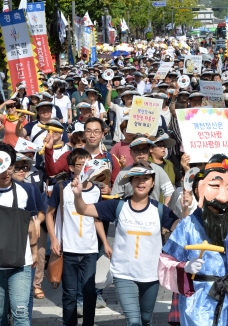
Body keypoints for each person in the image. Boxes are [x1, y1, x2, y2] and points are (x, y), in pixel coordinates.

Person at [72, 162, 180, 326]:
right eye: (137, 178)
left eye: (146, 178)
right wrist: (78, 195)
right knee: (134, 321)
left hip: (150, 272)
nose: (141, 182)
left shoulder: (159, 210)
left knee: (146, 319)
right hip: (123, 273)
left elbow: (181, 228)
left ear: (152, 183)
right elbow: (84, 210)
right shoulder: (118, 205)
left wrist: (186, 209)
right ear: (130, 181)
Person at [158, 154, 228, 326]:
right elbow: (165, 262)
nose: (222, 197)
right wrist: (184, 267)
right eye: (215, 186)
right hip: (199, 302)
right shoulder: (187, 226)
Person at [45, 149, 110, 326]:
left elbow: (96, 218)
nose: (84, 169)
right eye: (80, 165)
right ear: (72, 167)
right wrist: (54, 239)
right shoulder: (62, 188)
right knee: (69, 293)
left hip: (89, 249)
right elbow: (49, 214)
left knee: (89, 291)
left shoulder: (96, 190)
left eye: (88, 165)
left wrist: (105, 242)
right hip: (68, 249)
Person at [0, 142, 45, 326]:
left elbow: (31, 223)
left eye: (10, 166)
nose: (6, 171)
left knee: (20, 312)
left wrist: (34, 251)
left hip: (21, 262)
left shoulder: (25, 191)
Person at [112, 135, 174, 204]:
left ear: (149, 151)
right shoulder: (123, 173)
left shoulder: (159, 170)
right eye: (137, 150)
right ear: (130, 152)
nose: (141, 153)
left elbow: (169, 192)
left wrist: (164, 211)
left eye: (144, 150)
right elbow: (115, 198)